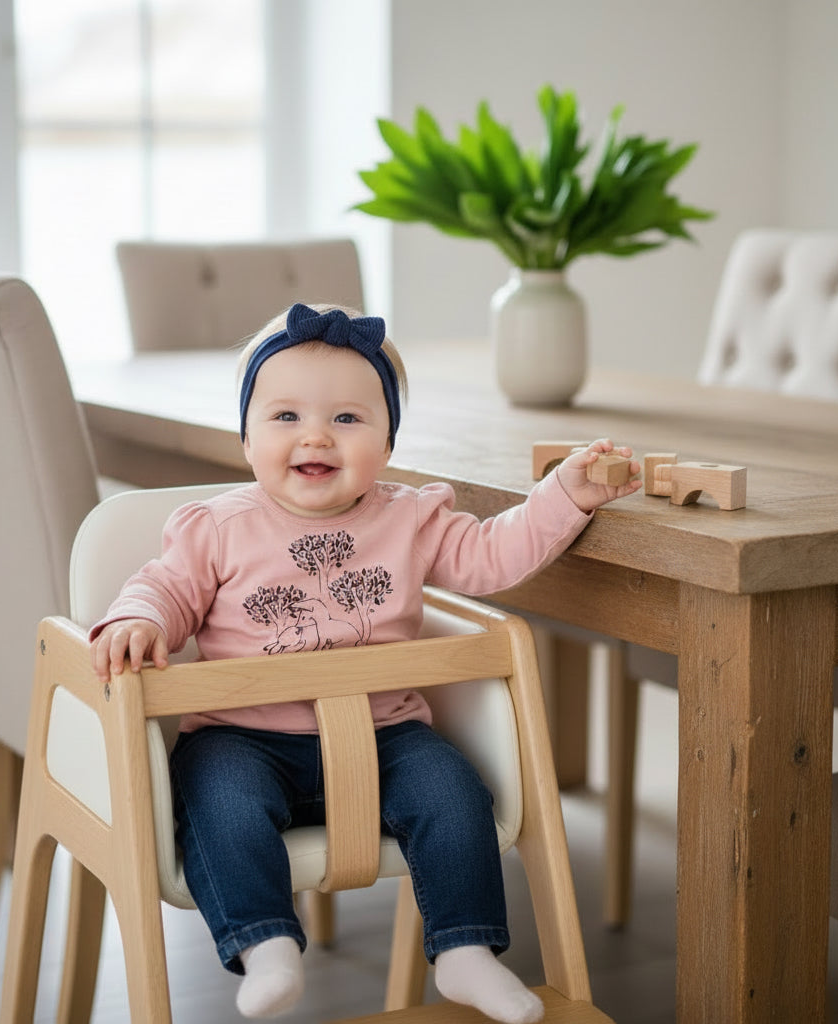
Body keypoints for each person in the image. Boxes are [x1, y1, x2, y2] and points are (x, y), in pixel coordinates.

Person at [90, 302, 642, 1023]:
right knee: (216, 804)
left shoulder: (409, 519)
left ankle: (466, 951)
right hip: (244, 735)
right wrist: (138, 618)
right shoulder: (216, 527)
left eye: (348, 419)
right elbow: (163, 586)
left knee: (454, 794)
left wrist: (565, 494)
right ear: (247, 438)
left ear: (387, 443)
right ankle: (264, 943)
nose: (315, 434)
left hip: (388, 733)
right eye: (284, 416)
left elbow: (493, 556)